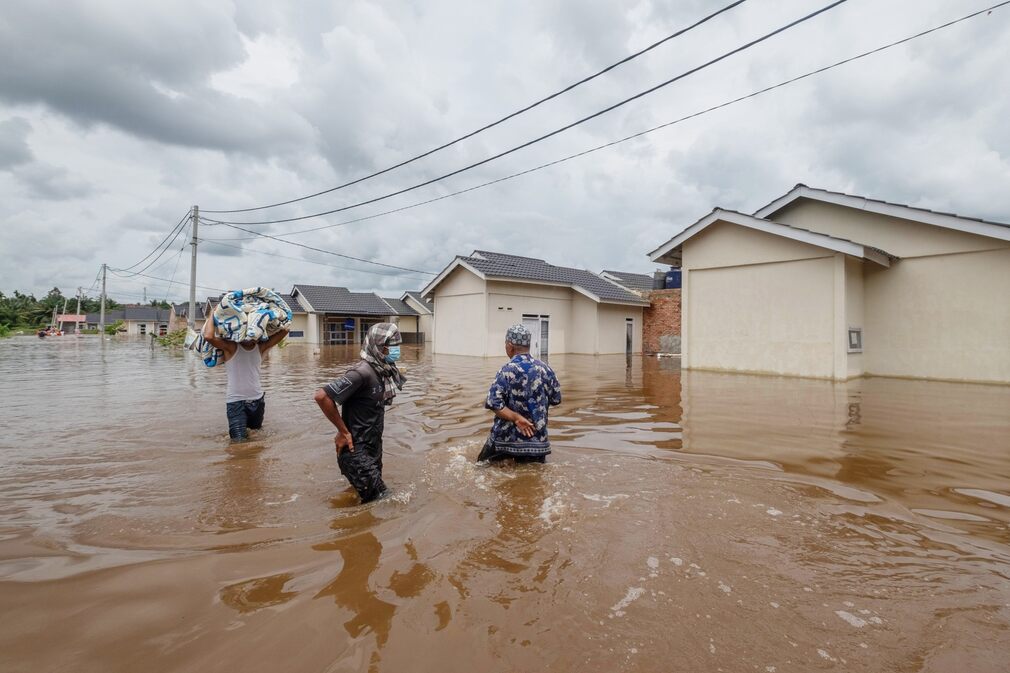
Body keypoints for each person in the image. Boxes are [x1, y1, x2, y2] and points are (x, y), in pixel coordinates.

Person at [314, 323, 405, 503]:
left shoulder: (381, 371)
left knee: (367, 502)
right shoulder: (361, 373)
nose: (395, 349)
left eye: (396, 344)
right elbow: (322, 396)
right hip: (356, 451)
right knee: (384, 501)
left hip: (372, 448)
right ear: (377, 346)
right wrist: (343, 431)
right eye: (391, 345)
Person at [478, 324, 562, 464]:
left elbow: (493, 403)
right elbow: (556, 399)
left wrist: (517, 418)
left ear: (510, 346)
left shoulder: (506, 370)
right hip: (538, 443)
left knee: (480, 467)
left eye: (505, 344)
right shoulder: (546, 370)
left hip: (504, 442)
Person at [201, 313, 288, 441]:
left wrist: (270, 314)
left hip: (257, 401)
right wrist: (212, 314)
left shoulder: (261, 347)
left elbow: (285, 330)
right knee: (238, 442)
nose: (250, 338)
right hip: (236, 403)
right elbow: (208, 336)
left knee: (256, 438)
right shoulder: (231, 347)